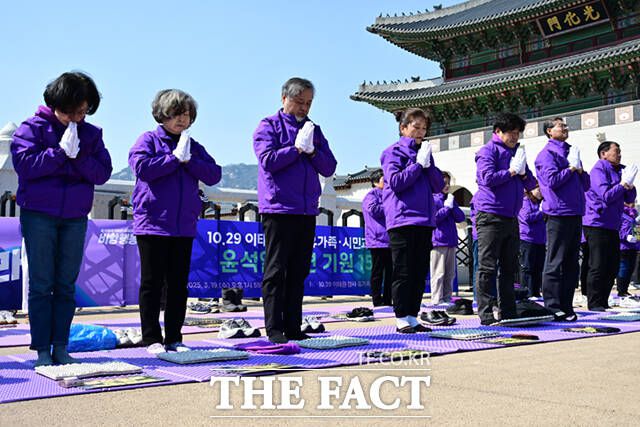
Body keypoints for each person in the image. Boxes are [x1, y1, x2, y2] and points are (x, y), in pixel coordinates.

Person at [11, 72, 112, 366]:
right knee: (42, 283)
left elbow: (102, 173)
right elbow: (25, 166)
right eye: (72, 111)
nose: (77, 117)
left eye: (83, 112)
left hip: (75, 217)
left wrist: (78, 155)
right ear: (57, 103)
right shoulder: (32, 128)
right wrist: (59, 153)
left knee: (66, 284)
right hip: (39, 215)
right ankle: (42, 348)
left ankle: (61, 346)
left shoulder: (91, 134)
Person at [129, 89, 222, 354]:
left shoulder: (193, 145)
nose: (182, 119)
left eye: (187, 114)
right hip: (152, 223)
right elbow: (142, 168)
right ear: (162, 114)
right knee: (152, 283)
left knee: (178, 285)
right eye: (176, 113)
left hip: (183, 225)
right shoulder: (148, 140)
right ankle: (151, 338)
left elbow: (214, 174)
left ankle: (174, 338)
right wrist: (173, 159)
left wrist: (189, 160)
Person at [253, 77, 337, 344]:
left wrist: (312, 152)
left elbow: (329, 166)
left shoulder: (313, 129)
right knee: (276, 270)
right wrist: (295, 149)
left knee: (299, 271)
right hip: (278, 208)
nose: (304, 108)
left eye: (308, 103)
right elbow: (268, 160)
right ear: (284, 98)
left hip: (306, 210)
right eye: (299, 102)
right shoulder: (268, 126)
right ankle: (274, 327)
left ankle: (293, 325)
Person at [381, 108, 445, 333]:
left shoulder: (424, 153)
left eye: (424, 128)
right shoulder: (392, 152)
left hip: (424, 220)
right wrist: (417, 165)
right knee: (403, 270)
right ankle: (400, 317)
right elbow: (397, 182)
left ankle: (412, 315)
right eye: (416, 127)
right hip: (402, 218)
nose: (420, 132)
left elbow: (438, 186)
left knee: (419, 271)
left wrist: (428, 165)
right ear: (403, 128)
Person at [474, 112, 537, 325]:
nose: (515, 137)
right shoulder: (487, 151)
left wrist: (523, 173)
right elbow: (487, 178)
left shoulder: (516, 152)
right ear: (498, 131)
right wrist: (511, 171)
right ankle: (485, 313)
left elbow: (531, 184)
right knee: (487, 266)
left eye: (518, 133)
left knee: (510, 268)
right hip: (490, 215)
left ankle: (508, 311)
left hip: (511, 216)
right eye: (511, 132)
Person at [534, 118, 590, 320]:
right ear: (549, 131)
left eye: (566, 125)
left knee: (571, 262)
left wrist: (580, 170)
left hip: (575, 211)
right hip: (558, 212)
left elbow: (586, 185)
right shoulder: (547, 154)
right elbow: (551, 181)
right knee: (556, 261)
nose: (565, 128)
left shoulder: (571, 152)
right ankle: (552, 306)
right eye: (560, 126)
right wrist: (571, 169)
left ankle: (567, 306)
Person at [583, 141, 637, 311]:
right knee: (598, 264)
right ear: (603, 154)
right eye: (616, 151)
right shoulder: (599, 170)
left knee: (612, 265)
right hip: (596, 223)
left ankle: (603, 301)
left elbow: (629, 198)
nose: (619, 154)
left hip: (613, 224)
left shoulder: (620, 170)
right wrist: (622, 184)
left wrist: (630, 184)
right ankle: (594, 303)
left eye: (620, 151)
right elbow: (606, 196)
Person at [430, 172, 465, 305]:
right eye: (444, 183)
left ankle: (447, 298)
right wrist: (446, 208)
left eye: (448, 183)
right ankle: (437, 300)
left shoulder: (449, 199)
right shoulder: (432, 199)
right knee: (438, 273)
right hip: (438, 241)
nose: (447, 185)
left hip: (451, 240)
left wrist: (452, 206)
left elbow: (460, 218)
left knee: (450, 274)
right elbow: (434, 218)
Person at [362, 169, 392, 306]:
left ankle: (388, 300)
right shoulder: (371, 195)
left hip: (390, 240)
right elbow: (373, 210)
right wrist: (390, 206)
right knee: (377, 272)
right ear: (375, 182)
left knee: (391, 272)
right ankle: (377, 300)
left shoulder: (389, 194)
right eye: (383, 179)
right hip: (377, 240)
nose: (386, 181)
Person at [517, 187, 545, 299]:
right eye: (538, 190)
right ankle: (527, 293)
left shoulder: (540, 203)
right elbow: (526, 217)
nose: (540, 192)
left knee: (538, 267)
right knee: (527, 267)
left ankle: (536, 292)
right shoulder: (525, 201)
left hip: (540, 239)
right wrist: (541, 212)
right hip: (527, 238)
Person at [616, 202, 639, 297]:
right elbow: (616, 230)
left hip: (633, 246)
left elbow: (636, 229)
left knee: (630, 269)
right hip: (623, 246)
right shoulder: (619, 213)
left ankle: (625, 290)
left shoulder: (634, 214)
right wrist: (625, 237)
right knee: (623, 269)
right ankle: (621, 291)